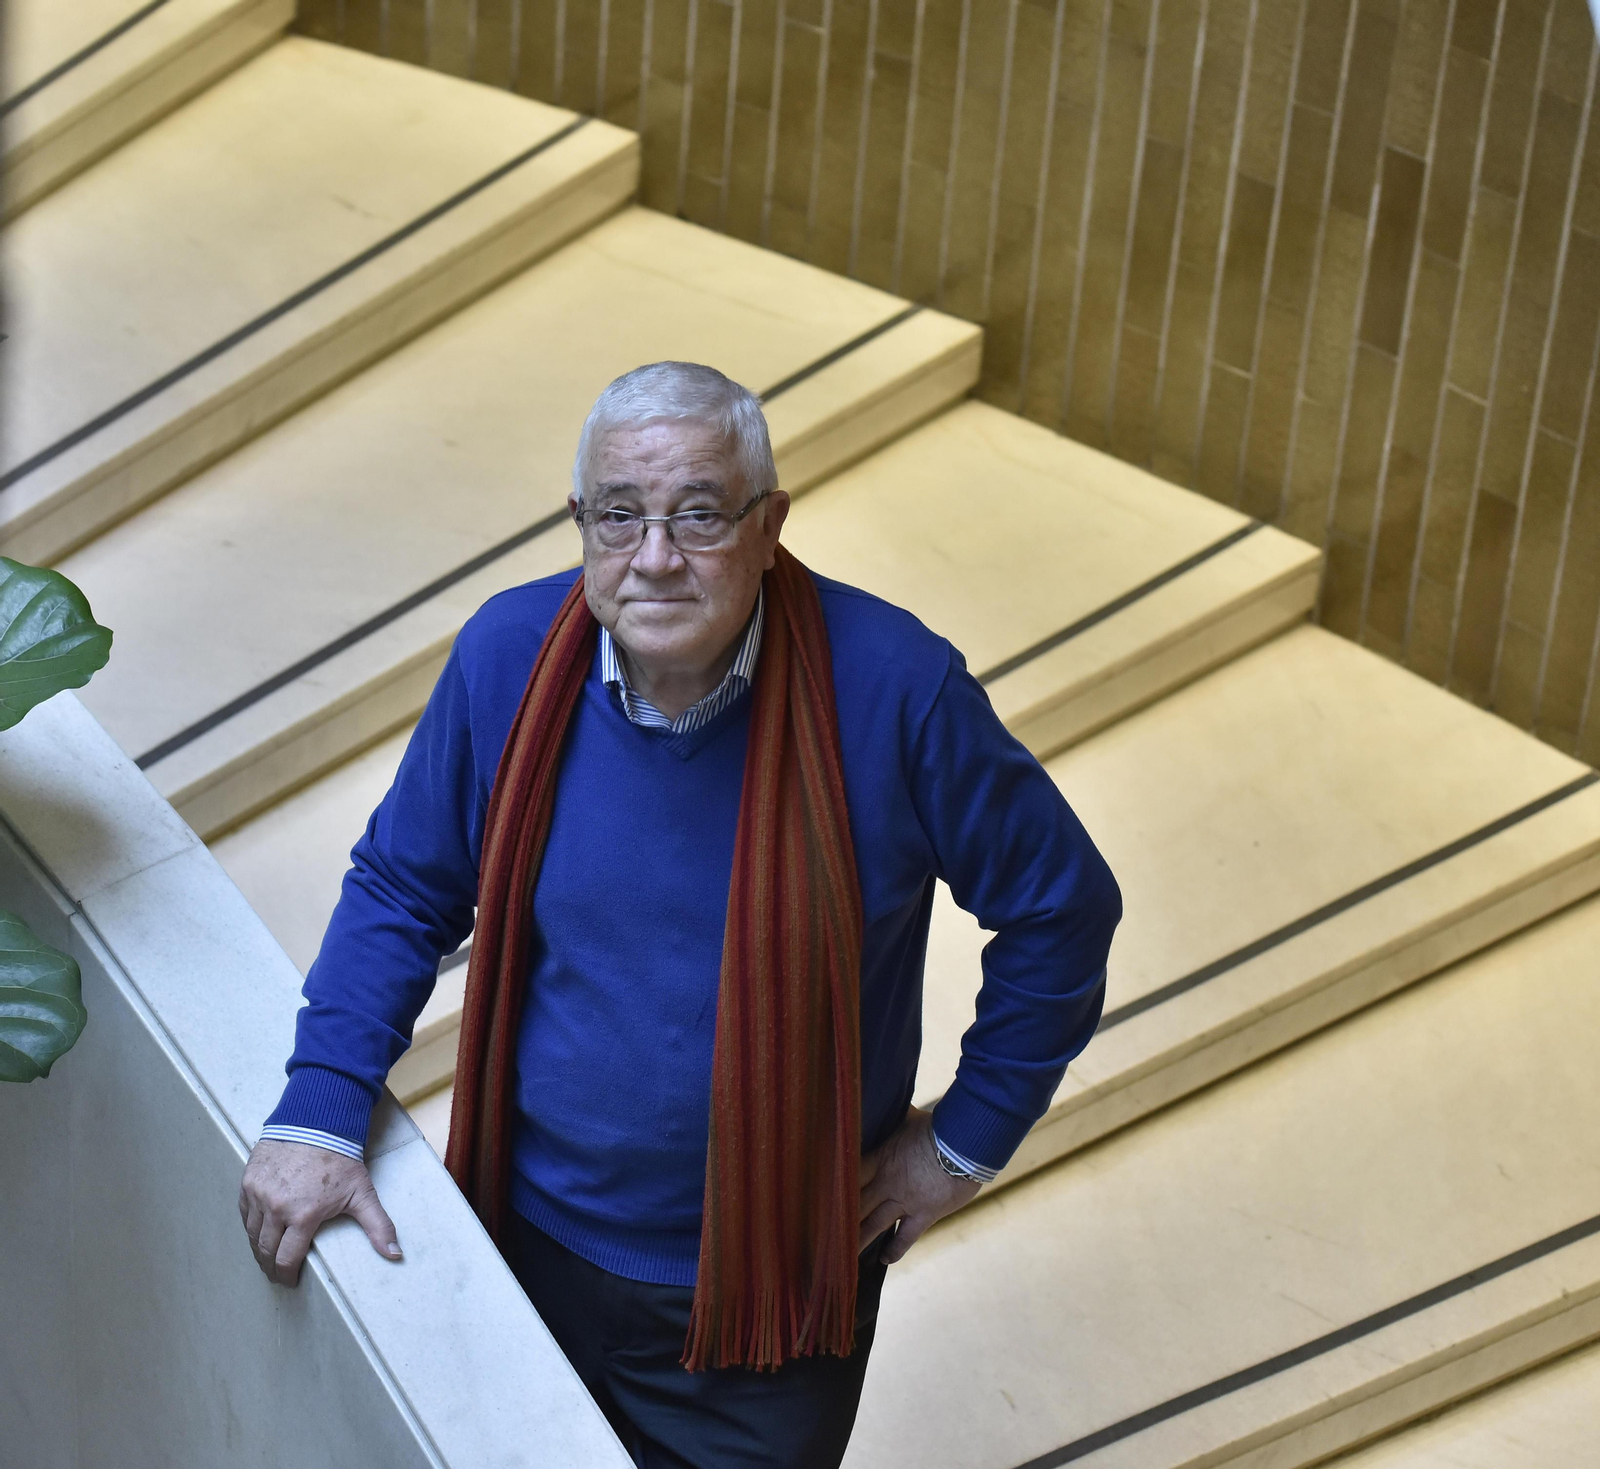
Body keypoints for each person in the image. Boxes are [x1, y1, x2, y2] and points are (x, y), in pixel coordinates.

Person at [240, 361, 1121, 1468]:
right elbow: (403, 887)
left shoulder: (895, 689)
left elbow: (1062, 910)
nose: (654, 557)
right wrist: (319, 1110)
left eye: (699, 515)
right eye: (621, 515)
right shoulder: (508, 658)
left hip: (768, 1306)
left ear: (769, 525)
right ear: (580, 525)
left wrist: (962, 1139)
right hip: (525, 1253)